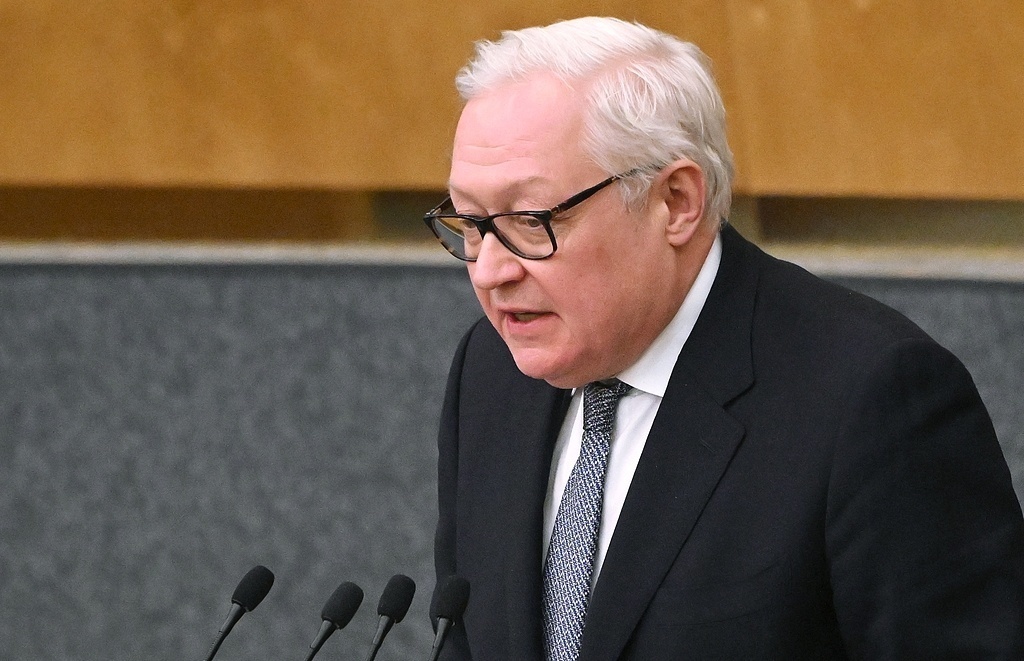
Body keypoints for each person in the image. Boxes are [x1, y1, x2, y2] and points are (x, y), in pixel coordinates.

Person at [423, 16, 1024, 660]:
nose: (489, 270)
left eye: (529, 219)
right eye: (471, 224)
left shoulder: (870, 400)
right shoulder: (491, 369)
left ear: (676, 202)